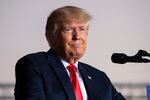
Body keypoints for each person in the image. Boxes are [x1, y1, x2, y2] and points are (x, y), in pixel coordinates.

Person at [14, 6, 126, 100]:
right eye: (68, 29)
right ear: (50, 37)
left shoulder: (99, 77)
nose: (77, 36)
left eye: (82, 29)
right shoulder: (34, 65)